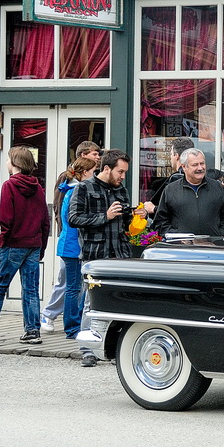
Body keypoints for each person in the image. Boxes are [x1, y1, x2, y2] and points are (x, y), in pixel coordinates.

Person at [0, 146, 51, 345]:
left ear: (14, 163)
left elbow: (6, 219)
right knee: (31, 290)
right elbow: (45, 220)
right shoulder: (38, 188)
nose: (6, 163)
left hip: (13, 244)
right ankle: (32, 331)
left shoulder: (9, 185)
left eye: (8, 160)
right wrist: (42, 246)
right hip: (33, 244)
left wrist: (3, 241)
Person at [68, 148, 141, 366]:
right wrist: (104, 216)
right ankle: (87, 350)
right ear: (106, 168)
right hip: (95, 256)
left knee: (121, 301)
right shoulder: (83, 188)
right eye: (120, 171)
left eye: (125, 172)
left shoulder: (121, 190)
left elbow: (126, 224)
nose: (123, 176)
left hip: (120, 254)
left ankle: (116, 347)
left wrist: (137, 216)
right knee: (92, 302)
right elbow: (73, 218)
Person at [40, 141, 102, 333]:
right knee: (71, 286)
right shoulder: (75, 190)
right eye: (94, 155)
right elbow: (66, 215)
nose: (98, 157)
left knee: (74, 285)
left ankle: (69, 321)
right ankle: (70, 325)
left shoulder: (72, 187)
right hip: (73, 245)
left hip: (72, 243)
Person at [152, 148, 224, 237]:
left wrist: (219, 235)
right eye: (195, 165)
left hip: (212, 248)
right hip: (181, 248)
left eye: (202, 163)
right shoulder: (171, 190)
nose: (200, 168)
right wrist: (177, 237)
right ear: (184, 167)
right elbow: (161, 221)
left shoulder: (217, 187)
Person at [144, 136, 194, 215]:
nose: (170, 158)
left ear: (176, 155)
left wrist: (153, 209)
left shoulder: (177, 177)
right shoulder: (198, 177)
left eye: (171, 154)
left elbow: (176, 210)